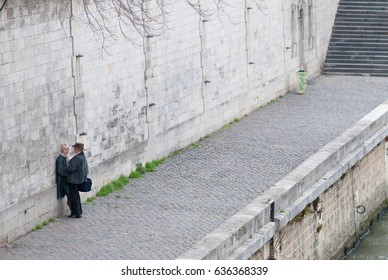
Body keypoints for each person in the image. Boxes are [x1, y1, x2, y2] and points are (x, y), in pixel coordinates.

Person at [59, 142, 89, 218]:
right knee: (76, 196)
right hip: (77, 179)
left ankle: (76, 213)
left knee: (74, 196)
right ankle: (79, 211)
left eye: (75, 148)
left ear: (78, 149)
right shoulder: (82, 156)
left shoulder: (78, 158)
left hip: (74, 180)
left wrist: (62, 171)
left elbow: (71, 168)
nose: (74, 149)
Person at [56, 144, 71, 212]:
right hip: (63, 180)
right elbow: (60, 171)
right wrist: (68, 174)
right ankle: (72, 210)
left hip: (67, 180)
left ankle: (73, 210)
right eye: (65, 149)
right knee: (69, 195)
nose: (67, 151)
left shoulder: (66, 157)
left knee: (70, 195)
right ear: (62, 150)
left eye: (67, 149)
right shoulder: (60, 159)